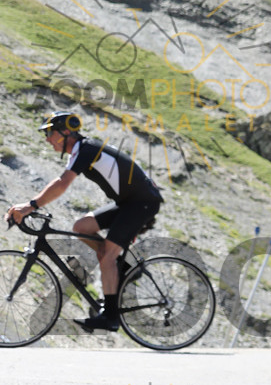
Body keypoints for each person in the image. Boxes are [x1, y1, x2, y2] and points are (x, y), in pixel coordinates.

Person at [5, 112, 164, 332]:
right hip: (130, 202)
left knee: (107, 257)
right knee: (82, 227)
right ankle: (124, 266)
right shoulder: (82, 150)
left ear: (65, 132)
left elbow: (62, 183)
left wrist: (31, 206)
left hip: (141, 203)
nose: (47, 139)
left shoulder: (86, 149)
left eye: (50, 133)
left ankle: (110, 317)